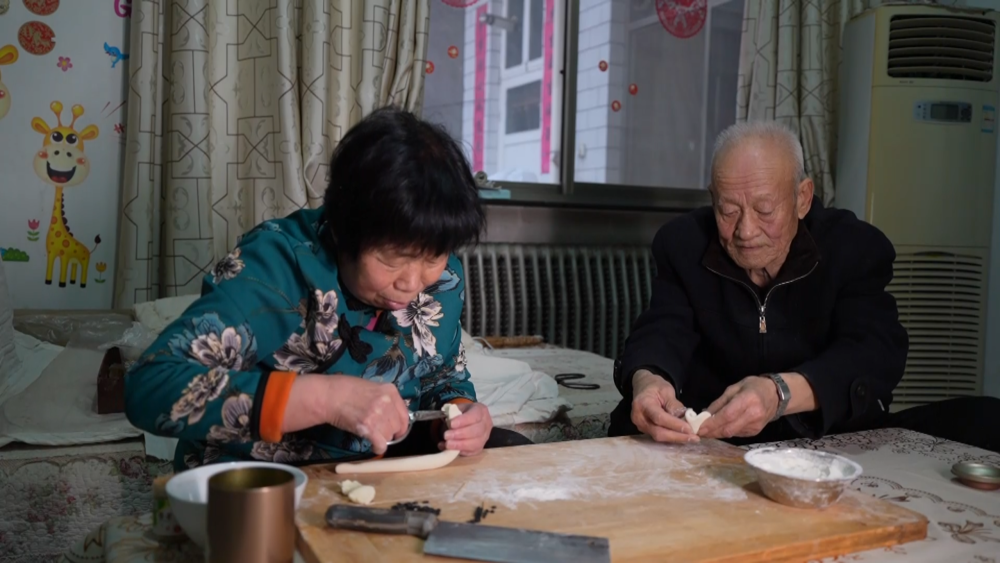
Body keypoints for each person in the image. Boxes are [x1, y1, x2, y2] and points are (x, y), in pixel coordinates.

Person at [125, 107, 531, 471]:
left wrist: (461, 414)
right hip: (254, 484)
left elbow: (443, 379)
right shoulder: (276, 265)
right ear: (342, 230)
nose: (411, 284)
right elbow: (152, 386)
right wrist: (325, 399)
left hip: (376, 477)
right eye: (392, 260)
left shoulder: (444, 279)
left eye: (432, 258)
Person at [609, 120, 1000, 453]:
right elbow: (663, 329)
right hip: (715, 445)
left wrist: (779, 393)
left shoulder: (852, 247)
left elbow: (874, 352)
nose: (745, 231)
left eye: (764, 210)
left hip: (825, 441)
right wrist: (648, 379)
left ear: (802, 198)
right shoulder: (682, 243)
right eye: (728, 211)